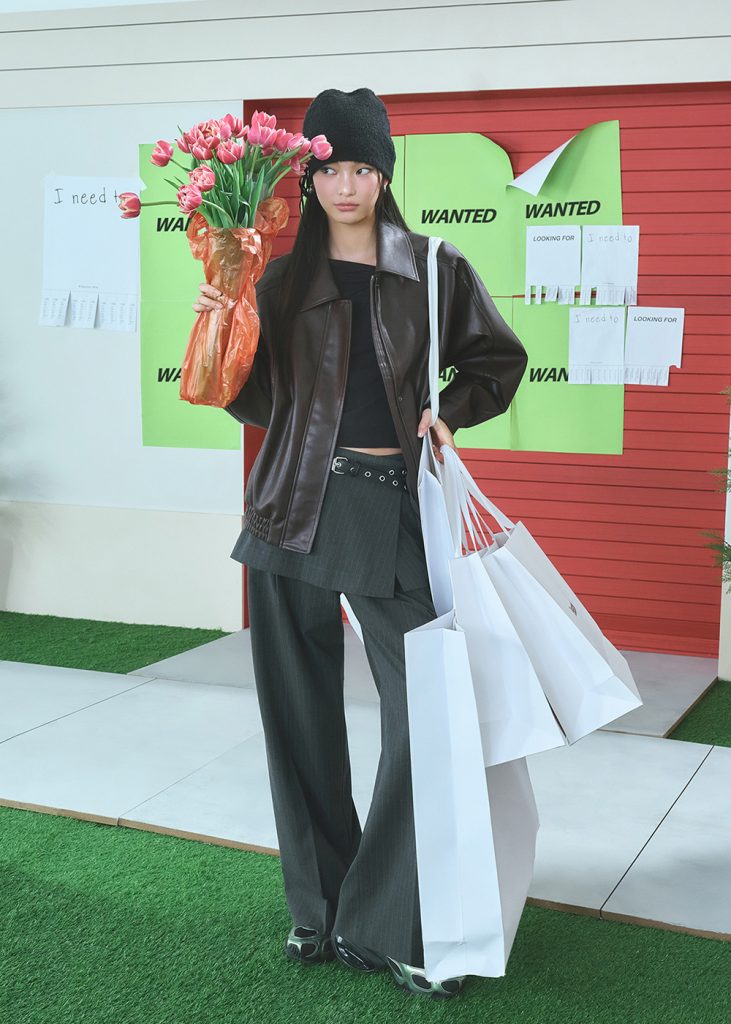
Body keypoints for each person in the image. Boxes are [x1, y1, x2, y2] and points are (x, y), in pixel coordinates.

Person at [192, 87, 529, 1000]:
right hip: (283, 512)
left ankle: (384, 921)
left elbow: (499, 362)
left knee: (428, 716)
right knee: (297, 723)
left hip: (385, 507)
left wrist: (446, 412)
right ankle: (318, 907)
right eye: (330, 168)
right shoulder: (274, 276)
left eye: (362, 168)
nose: (345, 184)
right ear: (308, 176)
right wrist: (220, 315)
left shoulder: (431, 265)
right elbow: (251, 399)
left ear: (385, 173)